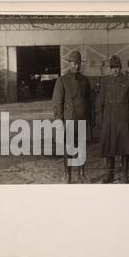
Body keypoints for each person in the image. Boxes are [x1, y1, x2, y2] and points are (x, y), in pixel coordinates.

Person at [52, 50, 93, 184]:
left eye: (78, 64)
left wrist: (91, 119)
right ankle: (67, 175)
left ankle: (82, 173)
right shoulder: (62, 81)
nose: (76, 66)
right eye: (74, 63)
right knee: (68, 148)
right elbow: (57, 102)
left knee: (82, 147)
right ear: (69, 64)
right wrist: (58, 119)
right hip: (68, 120)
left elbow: (90, 101)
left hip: (81, 120)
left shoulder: (85, 81)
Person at [98, 55, 129, 184]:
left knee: (124, 148)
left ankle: (125, 174)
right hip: (109, 121)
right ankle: (109, 173)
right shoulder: (105, 83)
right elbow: (100, 102)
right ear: (110, 69)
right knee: (109, 148)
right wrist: (100, 120)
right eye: (112, 68)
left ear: (120, 68)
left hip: (123, 120)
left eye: (117, 68)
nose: (115, 70)